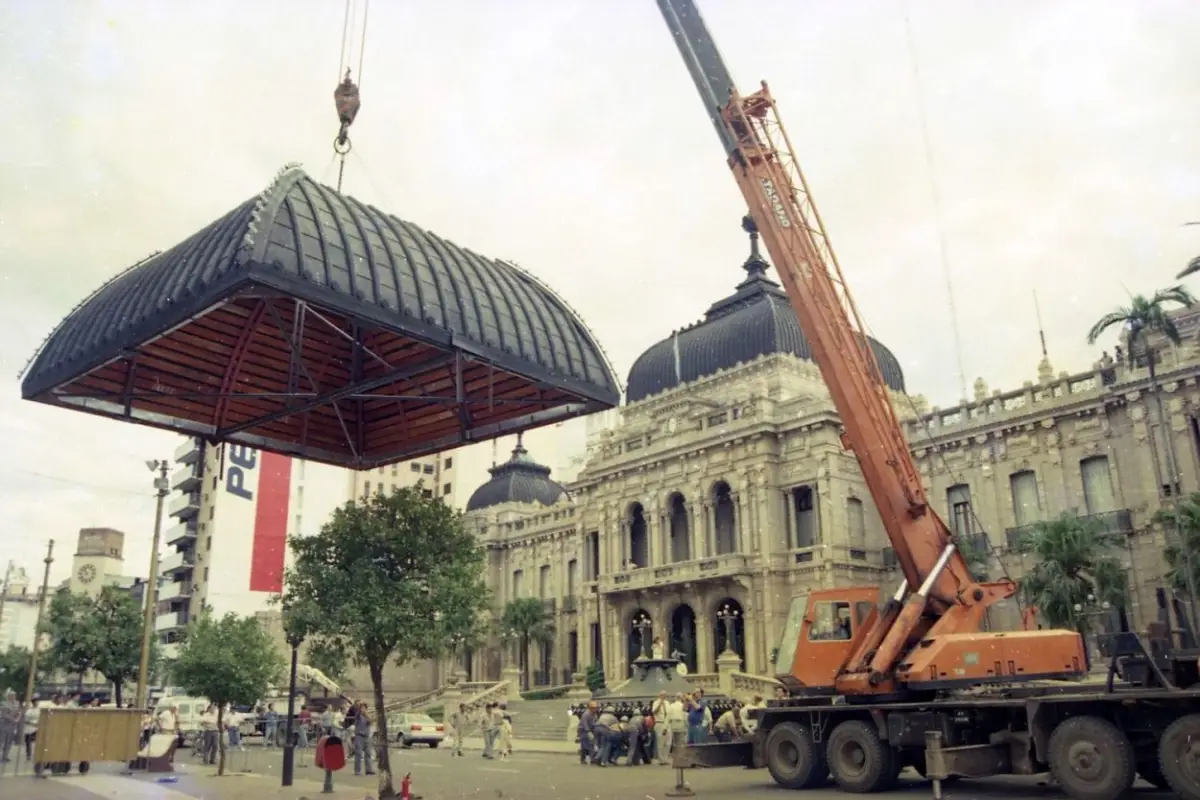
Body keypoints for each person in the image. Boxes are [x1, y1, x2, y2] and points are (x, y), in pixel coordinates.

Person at [351, 701, 374, 776]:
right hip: (359, 736)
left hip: (367, 737)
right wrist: (360, 706)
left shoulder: (367, 716)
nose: (363, 709)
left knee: (368, 754)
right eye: (362, 708)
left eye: (364, 708)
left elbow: (371, 721)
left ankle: (369, 770)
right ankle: (357, 771)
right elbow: (357, 713)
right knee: (359, 754)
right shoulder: (358, 715)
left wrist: (367, 714)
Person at [0, 689, 19, 763]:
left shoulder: (17, 703)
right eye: (12, 695)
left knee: (9, 742)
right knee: (1, 741)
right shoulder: (4, 703)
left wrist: (17, 718)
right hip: (4, 725)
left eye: (14, 695)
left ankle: (5, 757)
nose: (13, 697)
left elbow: (18, 712)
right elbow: (4, 715)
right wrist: (13, 720)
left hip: (12, 726)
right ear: (8, 696)